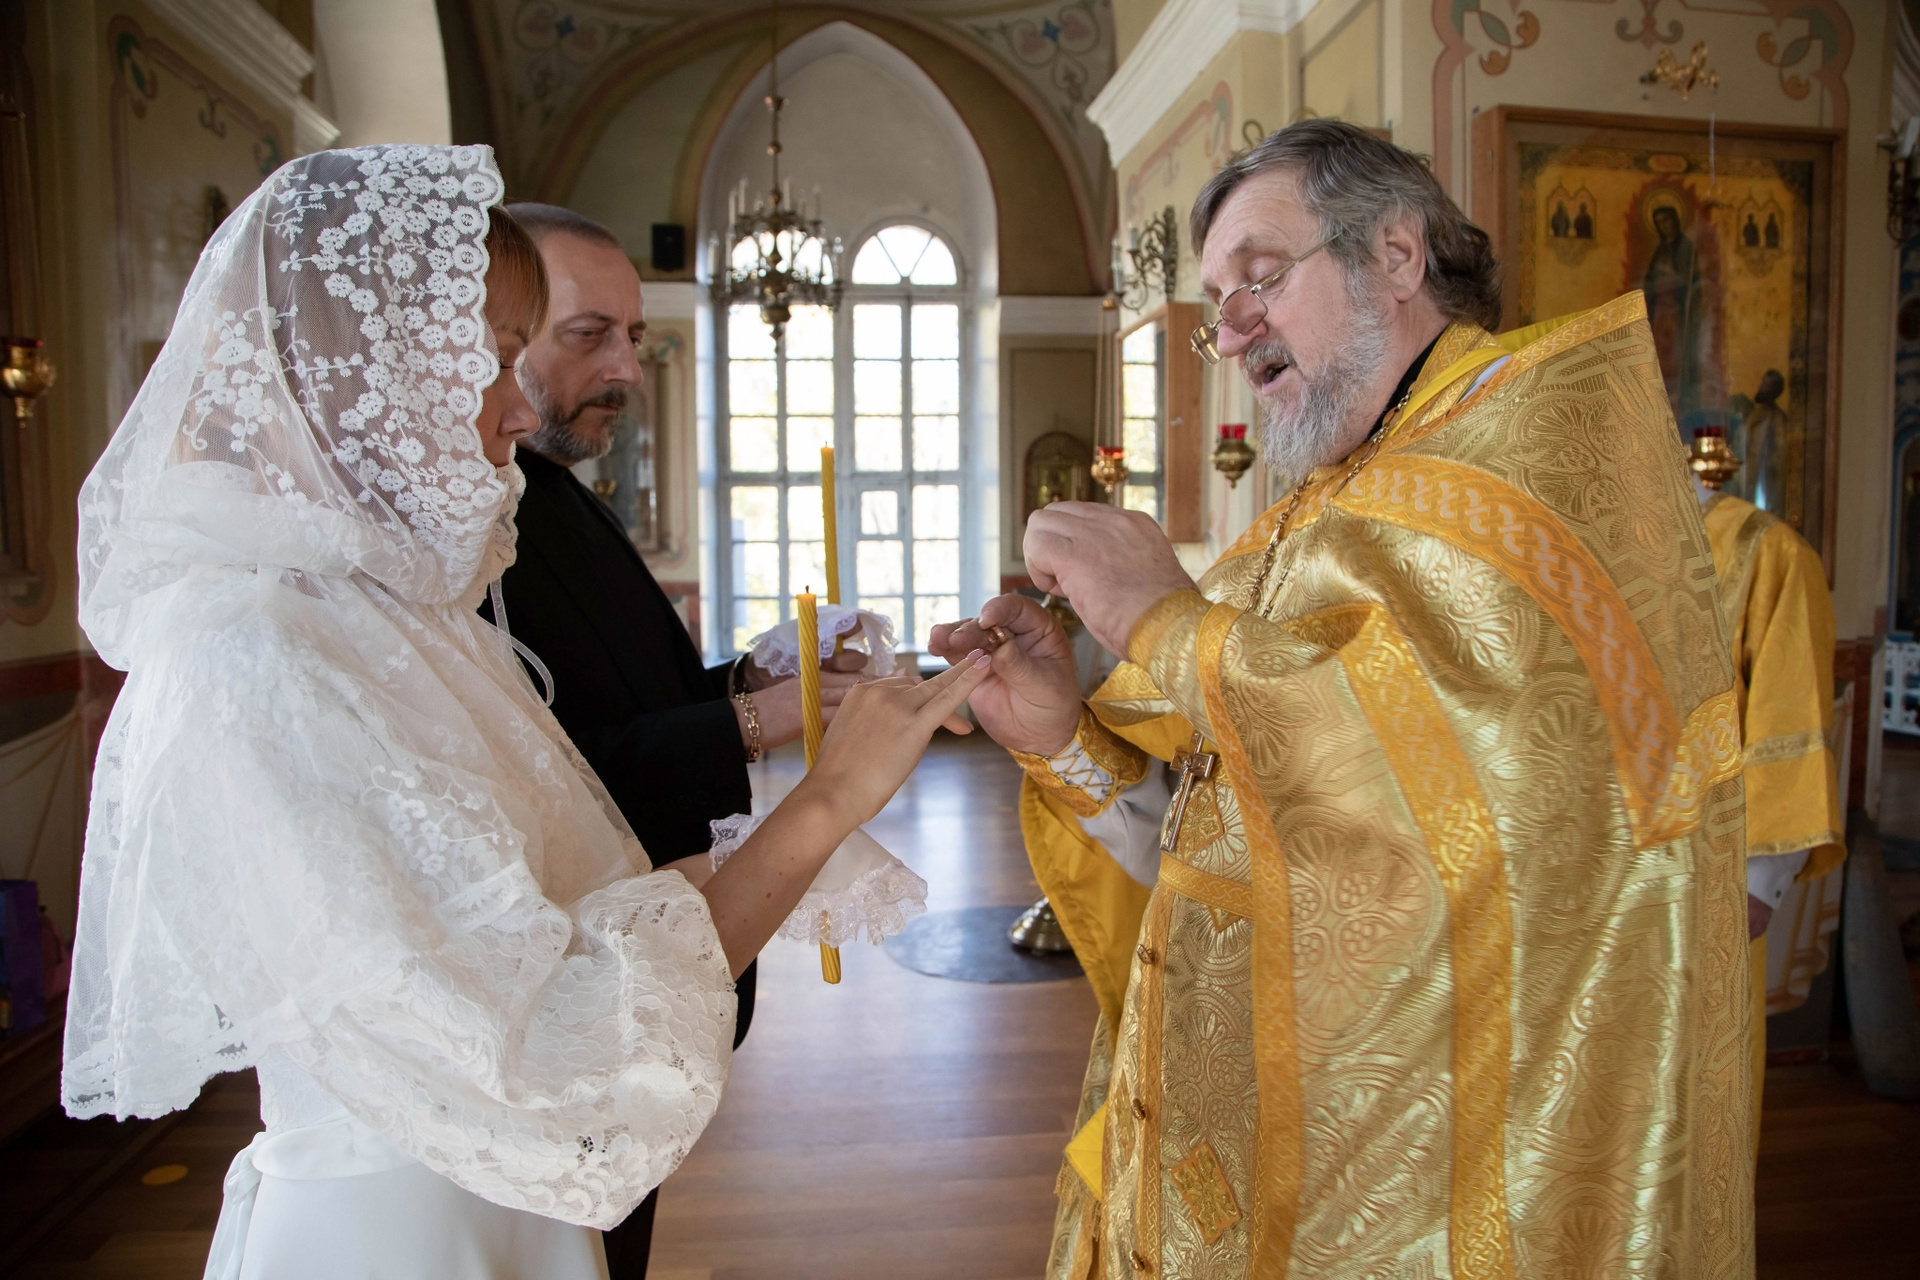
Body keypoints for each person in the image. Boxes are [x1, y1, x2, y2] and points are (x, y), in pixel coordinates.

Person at [62, 144, 991, 1280]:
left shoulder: (399, 618)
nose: (517, 406)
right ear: (370, 367)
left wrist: (803, 811)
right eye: (497, 356)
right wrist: (828, 797)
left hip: (507, 1203)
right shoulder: (255, 657)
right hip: (408, 1225)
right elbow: (547, 1037)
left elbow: (558, 902)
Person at [933, 120, 1752, 1278]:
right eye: (1217, 305)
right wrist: (1065, 734)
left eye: (1261, 276)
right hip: (1258, 1132)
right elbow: (1231, 833)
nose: (1231, 331)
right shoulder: (1331, 504)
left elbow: (1455, 818)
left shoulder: (1534, 471)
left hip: (1428, 1180)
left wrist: (1164, 618)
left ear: (1398, 254)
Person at [486, 202, 867, 1276]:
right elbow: (562, 772)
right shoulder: (479, 526)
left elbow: (629, 695)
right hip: (580, 987)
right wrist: (763, 720)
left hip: (656, 971)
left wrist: (757, 678)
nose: (626, 370)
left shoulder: (558, 493)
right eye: (588, 336)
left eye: (633, 337)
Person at [1698, 469, 1845, 1148]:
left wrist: (1760, 886)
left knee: (1701, 1086)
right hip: (1582, 885)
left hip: (1706, 879)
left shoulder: (1767, 552)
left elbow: (1793, 715)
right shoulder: (1570, 536)